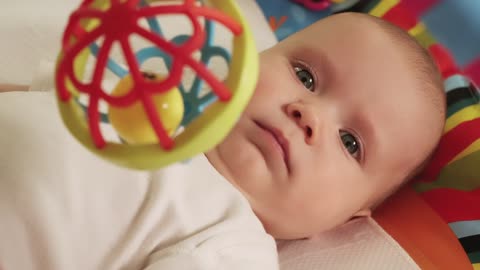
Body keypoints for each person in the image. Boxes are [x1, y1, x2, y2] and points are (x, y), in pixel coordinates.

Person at [0, 12, 445, 269]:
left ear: (347, 218)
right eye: (304, 75)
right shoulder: (150, 91)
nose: (309, 115)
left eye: (350, 143)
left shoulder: (233, 242)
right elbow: (46, 96)